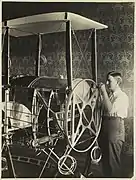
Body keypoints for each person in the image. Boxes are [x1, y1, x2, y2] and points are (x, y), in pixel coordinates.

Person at [99, 71, 129, 177]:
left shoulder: (122, 96)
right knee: (105, 161)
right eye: (106, 80)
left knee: (113, 162)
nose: (107, 83)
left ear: (118, 82)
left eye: (109, 81)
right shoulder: (111, 96)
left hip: (115, 128)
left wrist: (103, 92)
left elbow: (110, 110)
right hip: (106, 126)